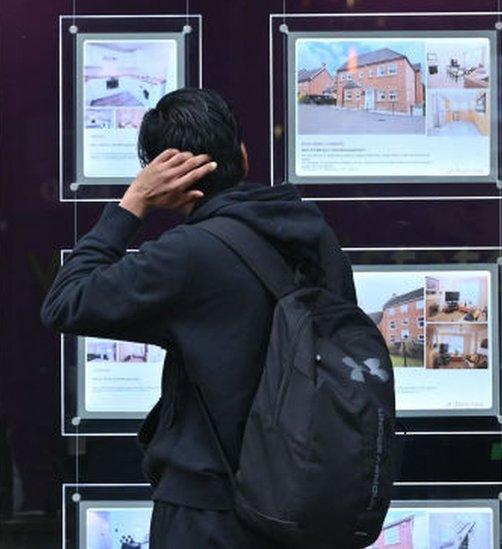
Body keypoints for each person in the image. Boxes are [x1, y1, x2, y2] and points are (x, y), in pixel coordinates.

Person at [41, 88, 357, 548]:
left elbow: (66, 300)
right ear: (244, 156)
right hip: (305, 500)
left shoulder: (188, 256)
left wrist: (133, 202)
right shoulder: (313, 234)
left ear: (161, 174)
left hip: (210, 510)